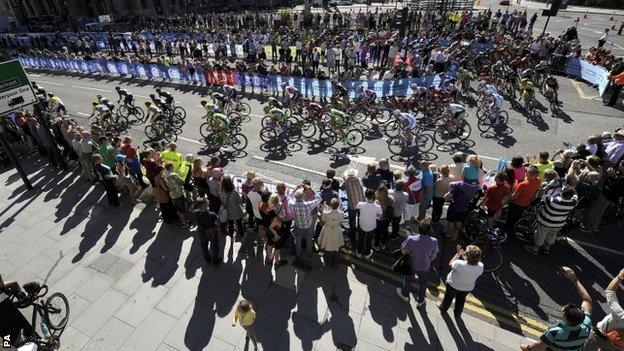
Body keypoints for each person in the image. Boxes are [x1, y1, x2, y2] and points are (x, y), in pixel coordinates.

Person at [521, 267, 593, 351]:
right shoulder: (586, 324)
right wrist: (574, 279)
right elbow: (587, 301)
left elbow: (539, 346)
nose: (565, 307)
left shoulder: (555, 332)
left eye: (565, 309)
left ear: (565, 317)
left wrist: (527, 348)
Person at [524, 186, 578, 255]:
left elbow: (541, 194)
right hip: (559, 224)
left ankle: (535, 248)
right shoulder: (573, 202)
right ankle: (547, 248)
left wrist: (549, 185)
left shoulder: (552, 200)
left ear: (561, 193)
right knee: (552, 235)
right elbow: (576, 195)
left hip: (546, 223)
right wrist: (571, 189)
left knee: (540, 235)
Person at [397, 219, 439, 306]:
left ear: (418, 229)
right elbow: (434, 256)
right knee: (423, 283)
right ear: (429, 230)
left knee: (408, 280)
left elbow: (403, 251)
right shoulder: (434, 241)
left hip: (411, 264)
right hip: (425, 266)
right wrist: (427, 259)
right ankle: (420, 300)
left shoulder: (410, 239)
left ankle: (405, 295)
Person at [582, 267, 624, 351]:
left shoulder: (620, 314)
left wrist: (620, 276)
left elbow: (610, 291)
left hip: (597, 338)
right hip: (617, 346)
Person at [437, 245, 484, 318]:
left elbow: (450, 264)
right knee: (461, 300)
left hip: (453, 285)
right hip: (467, 288)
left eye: (465, 251)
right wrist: (464, 255)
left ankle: (443, 308)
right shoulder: (481, 266)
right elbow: (470, 262)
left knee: (448, 297)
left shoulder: (458, 263)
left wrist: (458, 253)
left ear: (467, 255)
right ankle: (457, 314)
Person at [504, 166, 541, 235]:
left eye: (527, 171)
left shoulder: (523, 184)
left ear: (529, 174)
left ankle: (508, 231)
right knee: (518, 217)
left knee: (511, 218)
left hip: (516, 204)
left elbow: (514, 196)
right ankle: (515, 228)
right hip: (526, 204)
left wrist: (507, 200)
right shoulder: (538, 181)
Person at [290, 188, 322, 259]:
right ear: (303, 196)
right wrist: (312, 190)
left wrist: (295, 189)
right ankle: (309, 253)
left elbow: (289, 196)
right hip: (308, 225)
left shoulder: (292, 204)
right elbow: (319, 199)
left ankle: (297, 252)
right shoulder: (308, 205)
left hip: (298, 225)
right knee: (309, 239)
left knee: (298, 239)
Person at [192, 198, 221, 265]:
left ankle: (207, 258)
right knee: (215, 246)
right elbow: (218, 220)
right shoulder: (212, 215)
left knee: (204, 246)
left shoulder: (195, 213)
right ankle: (216, 260)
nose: (208, 202)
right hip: (212, 233)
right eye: (207, 202)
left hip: (202, 232)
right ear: (204, 205)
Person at [318, 198, 345, 268]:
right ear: (338, 205)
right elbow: (341, 220)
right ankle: (337, 260)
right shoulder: (341, 213)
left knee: (328, 244)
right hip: (337, 230)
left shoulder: (325, 213)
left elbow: (323, 219)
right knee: (337, 245)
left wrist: (326, 209)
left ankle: (327, 260)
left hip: (328, 230)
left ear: (330, 205)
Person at [356, 189, 383, 259]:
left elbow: (358, 209)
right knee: (369, 241)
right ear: (374, 196)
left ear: (365, 196)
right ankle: (367, 254)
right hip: (371, 227)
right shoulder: (378, 207)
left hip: (362, 225)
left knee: (360, 239)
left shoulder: (360, 204)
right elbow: (380, 215)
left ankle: (359, 252)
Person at [163, 162, 189, 228]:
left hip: (172, 194)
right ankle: (184, 222)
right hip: (178, 193)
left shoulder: (164, 175)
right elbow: (181, 182)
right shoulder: (173, 174)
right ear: (171, 167)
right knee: (182, 207)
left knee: (177, 207)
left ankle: (182, 220)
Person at [342, 168, 365, 240]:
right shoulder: (357, 179)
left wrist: (343, 180)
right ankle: (359, 231)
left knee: (352, 220)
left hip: (353, 204)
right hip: (361, 202)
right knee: (360, 218)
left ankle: (353, 235)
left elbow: (341, 187)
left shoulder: (346, 181)